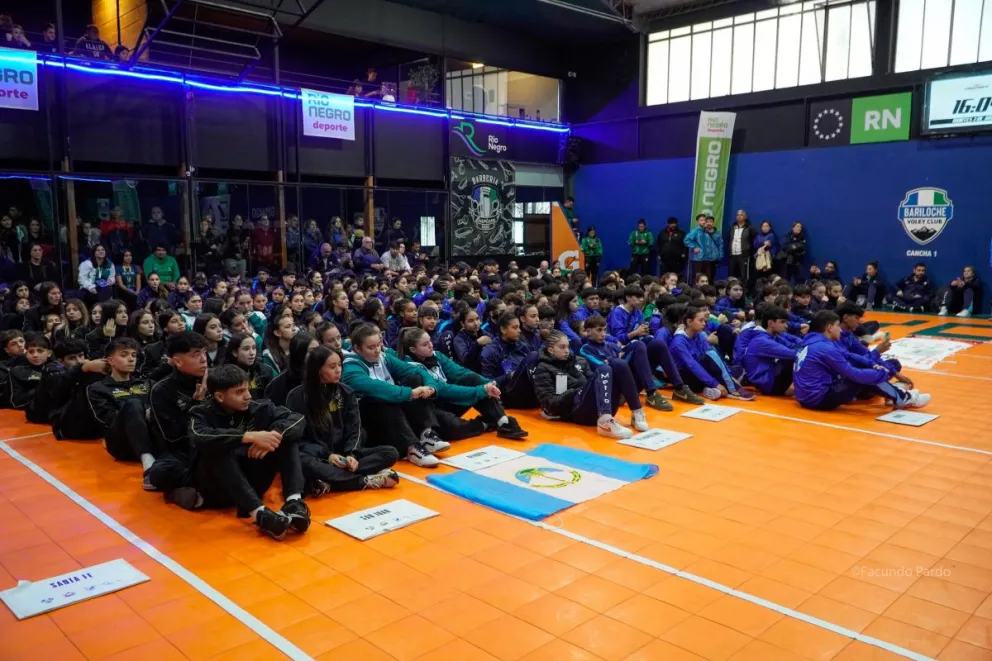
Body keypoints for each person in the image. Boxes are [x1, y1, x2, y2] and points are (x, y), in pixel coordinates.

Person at [189, 364, 310, 540]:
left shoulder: (260, 407)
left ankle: (294, 501)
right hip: (216, 487)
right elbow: (199, 435)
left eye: (247, 389)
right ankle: (259, 514)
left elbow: (298, 419)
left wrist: (273, 435)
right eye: (239, 392)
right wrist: (248, 436)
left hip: (251, 481)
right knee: (217, 448)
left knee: (284, 438)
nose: (247, 396)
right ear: (219, 396)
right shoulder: (200, 413)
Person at [286, 346, 399, 494]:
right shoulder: (297, 396)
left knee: (390, 452)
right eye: (332, 367)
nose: (338, 370)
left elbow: (355, 428)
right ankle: (362, 481)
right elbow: (299, 439)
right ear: (317, 369)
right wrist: (328, 456)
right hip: (319, 456)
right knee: (300, 460)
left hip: (342, 455)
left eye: (340, 365)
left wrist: (352, 455)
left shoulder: (346, 392)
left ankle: (330, 480)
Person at [341, 323, 448, 467]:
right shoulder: (350, 368)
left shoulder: (384, 357)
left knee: (414, 379)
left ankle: (426, 434)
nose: (377, 350)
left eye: (378, 345)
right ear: (357, 349)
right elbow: (379, 389)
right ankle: (412, 448)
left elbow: (415, 371)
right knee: (382, 399)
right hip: (369, 421)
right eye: (371, 348)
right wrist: (411, 393)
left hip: (394, 412)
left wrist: (430, 387)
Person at [399, 327, 528, 441]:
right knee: (453, 427)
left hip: (449, 400)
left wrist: (488, 383)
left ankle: (502, 421)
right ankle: (485, 423)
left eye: (430, 342)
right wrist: (481, 390)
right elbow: (443, 390)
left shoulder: (436, 355)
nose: (431, 345)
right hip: (431, 408)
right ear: (412, 349)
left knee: (472, 378)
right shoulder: (410, 367)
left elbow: (460, 373)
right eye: (425, 344)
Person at [793, 311, 930, 411]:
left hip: (805, 397)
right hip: (817, 399)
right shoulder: (825, 347)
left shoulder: (811, 341)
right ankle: (902, 398)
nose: (839, 329)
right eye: (837, 326)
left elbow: (849, 355)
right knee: (864, 376)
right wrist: (881, 373)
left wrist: (873, 364)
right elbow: (854, 374)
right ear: (829, 328)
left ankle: (896, 394)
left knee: (867, 369)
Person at [533, 330, 638, 439]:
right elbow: (549, 404)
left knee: (618, 364)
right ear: (551, 350)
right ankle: (605, 424)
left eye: (568, 347)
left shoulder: (579, 361)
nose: (567, 351)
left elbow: (592, 386)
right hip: (577, 412)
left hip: (598, 407)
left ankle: (637, 412)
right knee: (604, 368)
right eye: (562, 347)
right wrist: (575, 392)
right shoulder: (543, 368)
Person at [145, 332, 209, 509]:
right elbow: (173, 436)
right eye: (196, 355)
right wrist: (197, 404)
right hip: (184, 451)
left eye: (204, 352)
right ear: (178, 361)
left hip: (219, 442)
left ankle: (190, 491)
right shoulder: (162, 390)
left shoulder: (217, 379)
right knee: (160, 472)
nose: (204, 359)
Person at [84, 338, 161, 484]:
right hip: (121, 443)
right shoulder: (97, 388)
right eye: (124, 355)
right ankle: (148, 461)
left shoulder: (147, 383)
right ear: (111, 361)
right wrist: (142, 413)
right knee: (132, 404)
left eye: (133, 355)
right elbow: (107, 419)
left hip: (153, 437)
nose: (131, 359)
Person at [670, 306, 755, 401]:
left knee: (729, 364)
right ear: (689, 322)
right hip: (686, 379)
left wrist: (729, 375)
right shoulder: (678, 343)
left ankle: (710, 388)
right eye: (701, 321)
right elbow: (692, 366)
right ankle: (732, 388)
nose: (704, 323)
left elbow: (713, 355)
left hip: (699, 374)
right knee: (711, 355)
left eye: (704, 321)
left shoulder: (698, 335)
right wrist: (716, 383)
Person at [733, 306, 799, 395]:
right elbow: (795, 354)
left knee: (800, 355)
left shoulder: (772, 336)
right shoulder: (762, 341)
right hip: (768, 385)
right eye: (782, 322)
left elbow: (793, 345)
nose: (786, 326)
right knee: (798, 357)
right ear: (770, 323)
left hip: (768, 379)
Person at [480, 312, 540, 410]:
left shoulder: (523, 346)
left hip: (530, 393)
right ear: (503, 329)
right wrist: (510, 376)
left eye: (519, 327)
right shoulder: (491, 351)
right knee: (534, 355)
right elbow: (486, 383)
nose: (519, 331)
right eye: (515, 327)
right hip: (508, 394)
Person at [264, 333, 316, 407]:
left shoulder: (323, 374)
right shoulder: (278, 384)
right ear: (300, 353)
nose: (318, 354)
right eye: (312, 351)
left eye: (319, 349)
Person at [684, 215, 723, 283]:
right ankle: (695, 292)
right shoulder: (696, 231)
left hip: (706, 259)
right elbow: (686, 240)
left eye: (704, 220)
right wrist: (694, 247)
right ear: (698, 222)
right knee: (697, 277)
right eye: (701, 220)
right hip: (698, 258)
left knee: (707, 277)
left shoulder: (705, 231)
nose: (703, 222)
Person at [727, 210, 757, 284]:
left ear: (745, 217)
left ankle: (744, 291)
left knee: (744, 276)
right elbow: (728, 239)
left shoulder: (750, 228)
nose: (739, 216)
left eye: (741, 215)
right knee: (731, 275)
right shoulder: (732, 227)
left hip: (744, 255)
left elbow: (754, 241)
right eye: (738, 215)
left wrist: (749, 251)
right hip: (733, 254)